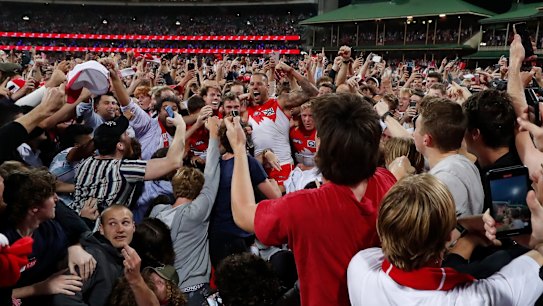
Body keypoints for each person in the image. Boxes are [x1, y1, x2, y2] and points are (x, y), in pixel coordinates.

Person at [226, 93, 411, 306]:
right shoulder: (386, 181)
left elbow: (242, 213)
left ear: (321, 145)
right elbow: (397, 169)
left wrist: (239, 149)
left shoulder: (302, 207)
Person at [347, 174, 543, 306]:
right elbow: (534, 263)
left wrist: (454, 224)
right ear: (450, 236)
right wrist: (536, 241)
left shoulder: (360, 268)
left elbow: (399, 240)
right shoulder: (473, 300)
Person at [151, 116, 220, 306]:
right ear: (199, 190)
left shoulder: (156, 212)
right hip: (195, 290)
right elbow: (212, 173)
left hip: (164, 291)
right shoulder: (196, 212)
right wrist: (213, 136)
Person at [70, 111, 186, 215]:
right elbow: (173, 162)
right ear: (120, 145)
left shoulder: (85, 163)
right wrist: (181, 126)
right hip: (99, 232)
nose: (129, 136)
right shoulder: (123, 169)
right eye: (125, 134)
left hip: (76, 225)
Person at [209, 122, 281, 267]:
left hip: (216, 235)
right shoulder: (248, 162)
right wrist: (275, 187)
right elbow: (276, 197)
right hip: (240, 236)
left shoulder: (214, 163)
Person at [52, 205, 136, 306]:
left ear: (133, 227)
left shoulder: (128, 259)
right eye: (112, 223)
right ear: (101, 229)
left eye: (125, 223)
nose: (120, 229)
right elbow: (63, 299)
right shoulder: (91, 256)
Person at [413, 96, 484, 216]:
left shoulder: (444, 179)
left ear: (426, 140)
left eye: (416, 128)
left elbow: (435, 230)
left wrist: (400, 179)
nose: (413, 134)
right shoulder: (464, 164)